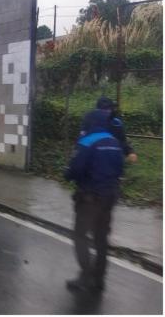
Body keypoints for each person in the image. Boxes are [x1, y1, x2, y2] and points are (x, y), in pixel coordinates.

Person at [64, 108, 125, 293]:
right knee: (101, 239)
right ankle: (99, 280)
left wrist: (68, 174)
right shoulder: (115, 142)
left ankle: (86, 277)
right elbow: (120, 170)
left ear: (89, 123)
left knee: (80, 236)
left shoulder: (87, 141)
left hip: (90, 199)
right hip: (110, 197)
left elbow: (75, 170)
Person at [81, 96, 137, 163]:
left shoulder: (115, 122)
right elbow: (122, 140)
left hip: (105, 155)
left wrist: (129, 152)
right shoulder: (90, 120)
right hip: (99, 156)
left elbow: (122, 139)